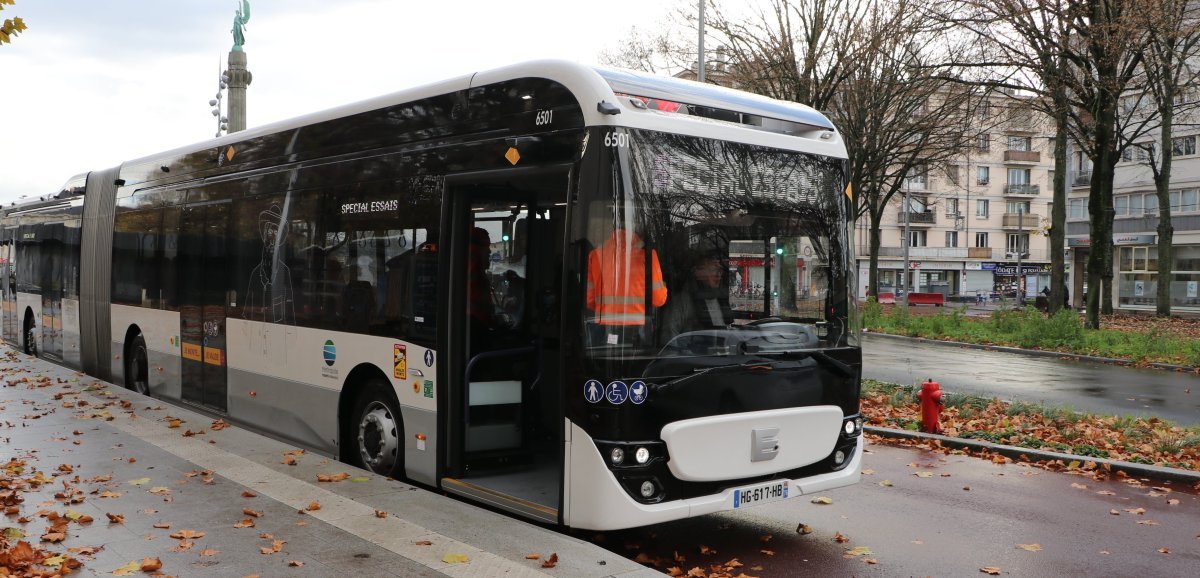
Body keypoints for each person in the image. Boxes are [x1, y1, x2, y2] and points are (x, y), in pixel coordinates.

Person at [586, 228, 667, 326]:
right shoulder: (648, 256)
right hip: (637, 329)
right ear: (637, 233)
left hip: (604, 326)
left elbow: (589, 300)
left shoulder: (595, 255)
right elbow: (658, 299)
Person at [661, 255, 733, 339]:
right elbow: (668, 334)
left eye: (720, 271)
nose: (718, 275)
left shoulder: (724, 300)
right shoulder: (683, 302)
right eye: (713, 270)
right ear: (699, 273)